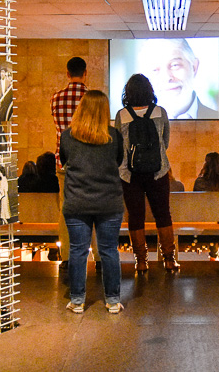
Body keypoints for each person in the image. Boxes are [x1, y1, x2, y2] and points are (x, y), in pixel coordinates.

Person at [59, 90, 125, 314]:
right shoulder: (114, 136)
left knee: (77, 250)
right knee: (108, 250)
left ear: (81, 109)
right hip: (109, 202)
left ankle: (77, 301)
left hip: (77, 201)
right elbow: (118, 161)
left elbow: (65, 160)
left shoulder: (68, 136)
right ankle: (113, 301)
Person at [114, 74, 178, 273]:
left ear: (128, 92)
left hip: (129, 174)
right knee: (163, 214)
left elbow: (118, 145)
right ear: (150, 90)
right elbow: (164, 142)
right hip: (157, 171)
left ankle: (141, 261)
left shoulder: (121, 115)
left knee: (135, 216)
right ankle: (168, 259)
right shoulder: (160, 112)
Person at [50, 56, 88, 271]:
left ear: (67, 73)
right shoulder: (91, 98)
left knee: (66, 209)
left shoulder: (56, 98)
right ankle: (97, 257)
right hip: (89, 161)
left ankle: (66, 256)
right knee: (92, 208)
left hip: (63, 161)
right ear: (85, 72)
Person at [137, 38, 217, 119]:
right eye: (155, 69)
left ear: (194, 67)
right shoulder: (135, 124)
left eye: (175, 65)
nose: (167, 77)